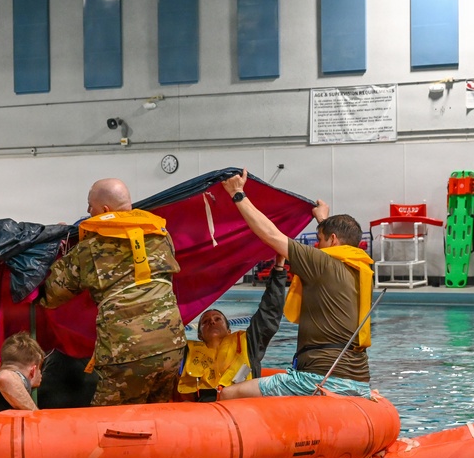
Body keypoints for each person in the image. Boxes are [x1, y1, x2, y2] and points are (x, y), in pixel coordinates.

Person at [218, 169, 374, 399]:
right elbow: (335, 244)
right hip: (359, 381)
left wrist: (237, 193)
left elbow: (271, 234)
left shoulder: (322, 264)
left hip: (316, 379)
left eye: (319, 240)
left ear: (332, 240)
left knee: (230, 394)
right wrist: (323, 218)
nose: (316, 246)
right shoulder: (362, 269)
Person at [38, 178, 186, 405]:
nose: (87, 211)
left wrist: (60, 248)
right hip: (172, 345)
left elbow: (51, 295)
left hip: (126, 352)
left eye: (90, 206)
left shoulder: (91, 249)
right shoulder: (161, 234)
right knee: (157, 414)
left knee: (108, 421)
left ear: (105, 210)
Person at [175, 255, 288, 402]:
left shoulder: (248, 343)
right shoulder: (187, 352)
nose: (212, 322)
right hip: (201, 414)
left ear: (229, 330)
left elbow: (269, 313)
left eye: (217, 319)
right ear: (200, 335)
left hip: (241, 410)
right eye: (205, 321)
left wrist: (279, 269)